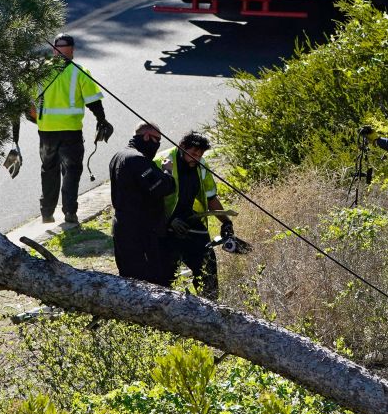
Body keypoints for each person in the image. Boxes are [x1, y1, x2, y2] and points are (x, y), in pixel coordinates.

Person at [24, 34, 113, 225]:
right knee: (71, 170)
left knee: (49, 169)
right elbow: (94, 102)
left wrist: (38, 120)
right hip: (71, 131)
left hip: (47, 132)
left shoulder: (40, 72)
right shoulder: (80, 72)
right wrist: (102, 120)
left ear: (54, 51)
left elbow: (26, 103)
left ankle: (47, 213)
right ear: (72, 50)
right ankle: (70, 212)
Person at [156, 132, 233, 298]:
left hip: (189, 220)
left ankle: (210, 304)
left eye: (200, 155)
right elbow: (150, 202)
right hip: (164, 226)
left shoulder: (201, 165)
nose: (196, 159)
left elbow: (211, 197)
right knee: (164, 278)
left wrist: (226, 222)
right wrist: (168, 221)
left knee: (208, 264)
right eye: (193, 154)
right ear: (182, 147)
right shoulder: (164, 163)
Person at [109, 123, 175, 285]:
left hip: (122, 226)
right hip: (141, 231)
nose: (157, 144)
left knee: (129, 280)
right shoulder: (137, 160)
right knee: (150, 281)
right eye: (157, 140)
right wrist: (167, 171)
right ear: (146, 136)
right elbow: (163, 187)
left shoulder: (118, 156)